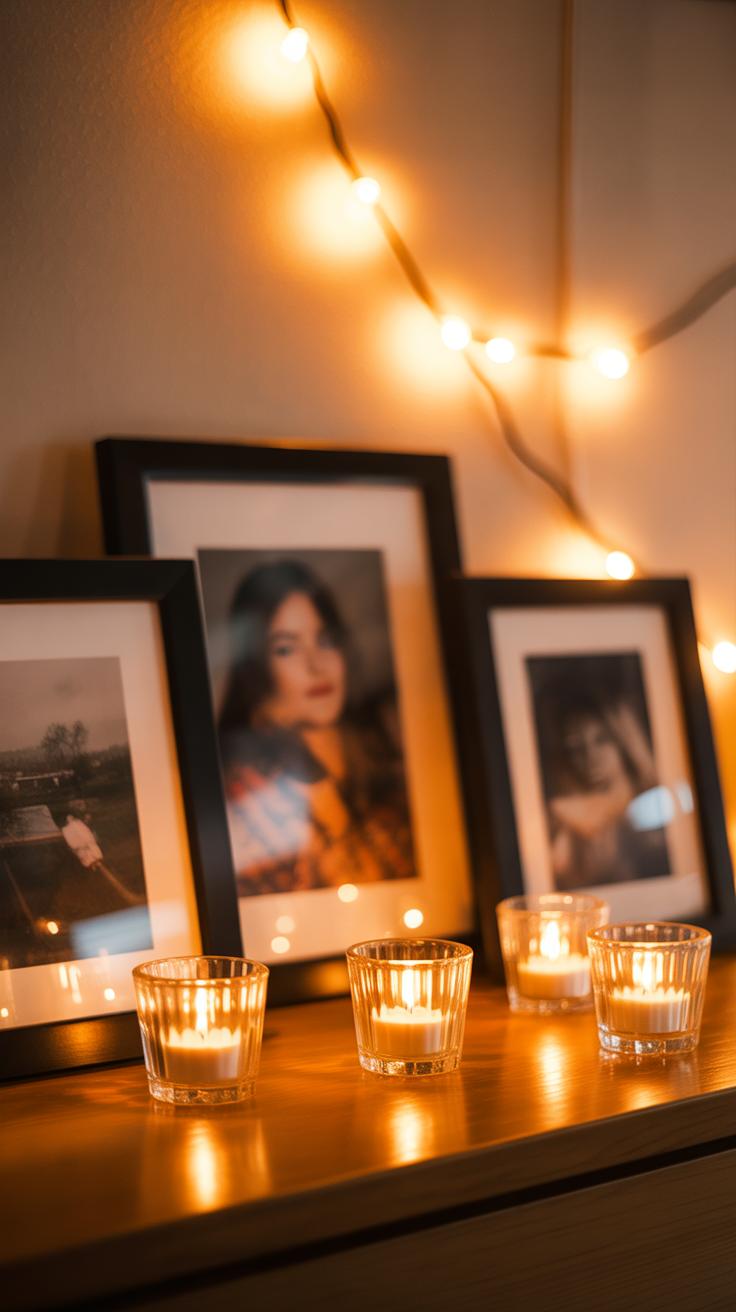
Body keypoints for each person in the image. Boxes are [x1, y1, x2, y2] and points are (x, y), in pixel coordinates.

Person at [218, 559, 416, 895]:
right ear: (255, 667)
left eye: (324, 640)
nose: (316, 665)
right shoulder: (249, 789)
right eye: (286, 648)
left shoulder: (378, 748)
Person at [542, 694, 670, 890]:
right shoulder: (562, 818)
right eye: (575, 747)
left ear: (622, 740)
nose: (590, 756)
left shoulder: (654, 807)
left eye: (601, 740)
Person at [60, 809, 141, 905]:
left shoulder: (88, 860)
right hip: (84, 846)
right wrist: (85, 845)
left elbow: (84, 841)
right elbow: (80, 843)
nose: (71, 818)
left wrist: (86, 845)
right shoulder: (67, 830)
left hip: (85, 846)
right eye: (69, 817)